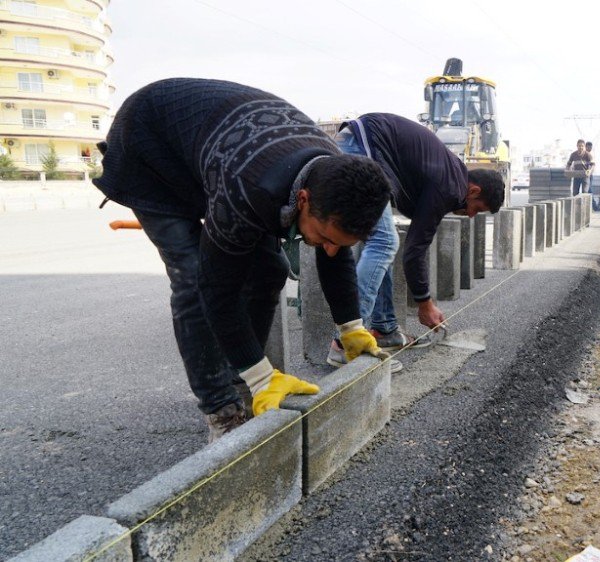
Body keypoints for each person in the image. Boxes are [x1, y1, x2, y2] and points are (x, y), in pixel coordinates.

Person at [93, 78, 392, 442]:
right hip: (151, 148)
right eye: (326, 238)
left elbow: (335, 253)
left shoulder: (333, 180)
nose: (329, 249)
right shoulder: (250, 189)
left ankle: (244, 380)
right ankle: (222, 408)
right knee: (192, 276)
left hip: (221, 150)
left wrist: (351, 328)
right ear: (302, 199)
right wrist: (261, 375)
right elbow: (217, 290)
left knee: (271, 269)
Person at [325, 113, 506, 369]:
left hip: (362, 145)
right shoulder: (450, 186)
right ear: (474, 190)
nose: (472, 214)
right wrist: (425, 304)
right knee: (385, 242)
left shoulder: (450, 176)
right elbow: (414, 250)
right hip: (362, 148)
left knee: (379, 243)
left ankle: (385, 328)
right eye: (478, 208)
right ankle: (346, 345)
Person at [584, 141, 600, 211]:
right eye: (588, 147)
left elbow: (592, 165)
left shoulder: (590, 155)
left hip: (590, 175)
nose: (590, 148)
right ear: (586, 147)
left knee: (589, 191)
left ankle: (594, 207)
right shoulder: (584, 155)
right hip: (585, 175)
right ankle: (594, 207)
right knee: (588, 191)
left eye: (591, 147)